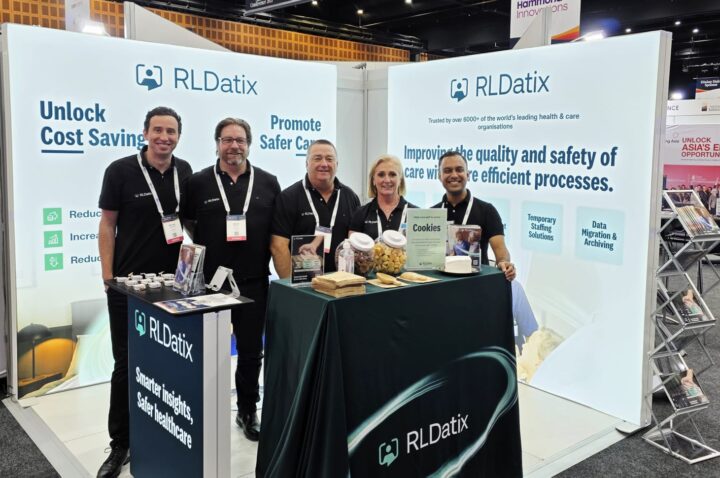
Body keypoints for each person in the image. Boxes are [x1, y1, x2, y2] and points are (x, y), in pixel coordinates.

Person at [97, 106, 192, 478]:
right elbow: (107, 225)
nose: (164, 137)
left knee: (167, 361)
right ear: (145, 133)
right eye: (158, 130)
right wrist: (108, 276)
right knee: (125, 364)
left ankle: (161, 429)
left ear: (178, 136)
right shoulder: (120, 171)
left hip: (172, 287)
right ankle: (120, 443)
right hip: (129, 285)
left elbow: (188, 225)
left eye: (171, 131)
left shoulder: (185, 172)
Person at [182, 118, 280, 441]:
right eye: (227, 140)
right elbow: (189, 224)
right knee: (208, 353)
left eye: (240, 140)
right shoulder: (198, 182)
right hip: (210, 284)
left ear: (248, 144)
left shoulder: (268, 182)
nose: (234, 146)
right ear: (217, 144)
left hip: (254, 281)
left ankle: (248, 410)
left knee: (251, 351)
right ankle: (202, 413)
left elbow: (275, 231)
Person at [270, 139, 360, 277]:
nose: (324, 164)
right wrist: (289, 285)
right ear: (306, 163)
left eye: (329, 159)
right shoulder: (288, 198)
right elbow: (278, 246)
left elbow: (356, 244)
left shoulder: (350, 197)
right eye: (317, 158)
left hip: (342, 282)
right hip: (303, 284)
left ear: (337, 164)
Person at [433, 150, 516, 281]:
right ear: (440, 176)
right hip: (439, 284)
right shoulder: (432, 214)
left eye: (459, 169)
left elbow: (501, 253)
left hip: (476, 285)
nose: (454, 175)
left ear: (468, 175)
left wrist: (504, 263)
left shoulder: (487, 211)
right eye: (447, 170)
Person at [349, 154, 416, 239]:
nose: (387, 180)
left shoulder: (416, 214)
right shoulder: (360, 214)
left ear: (400, 179)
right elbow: (353, 245)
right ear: (373, 180)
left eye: (392, 174)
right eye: (381, 175)